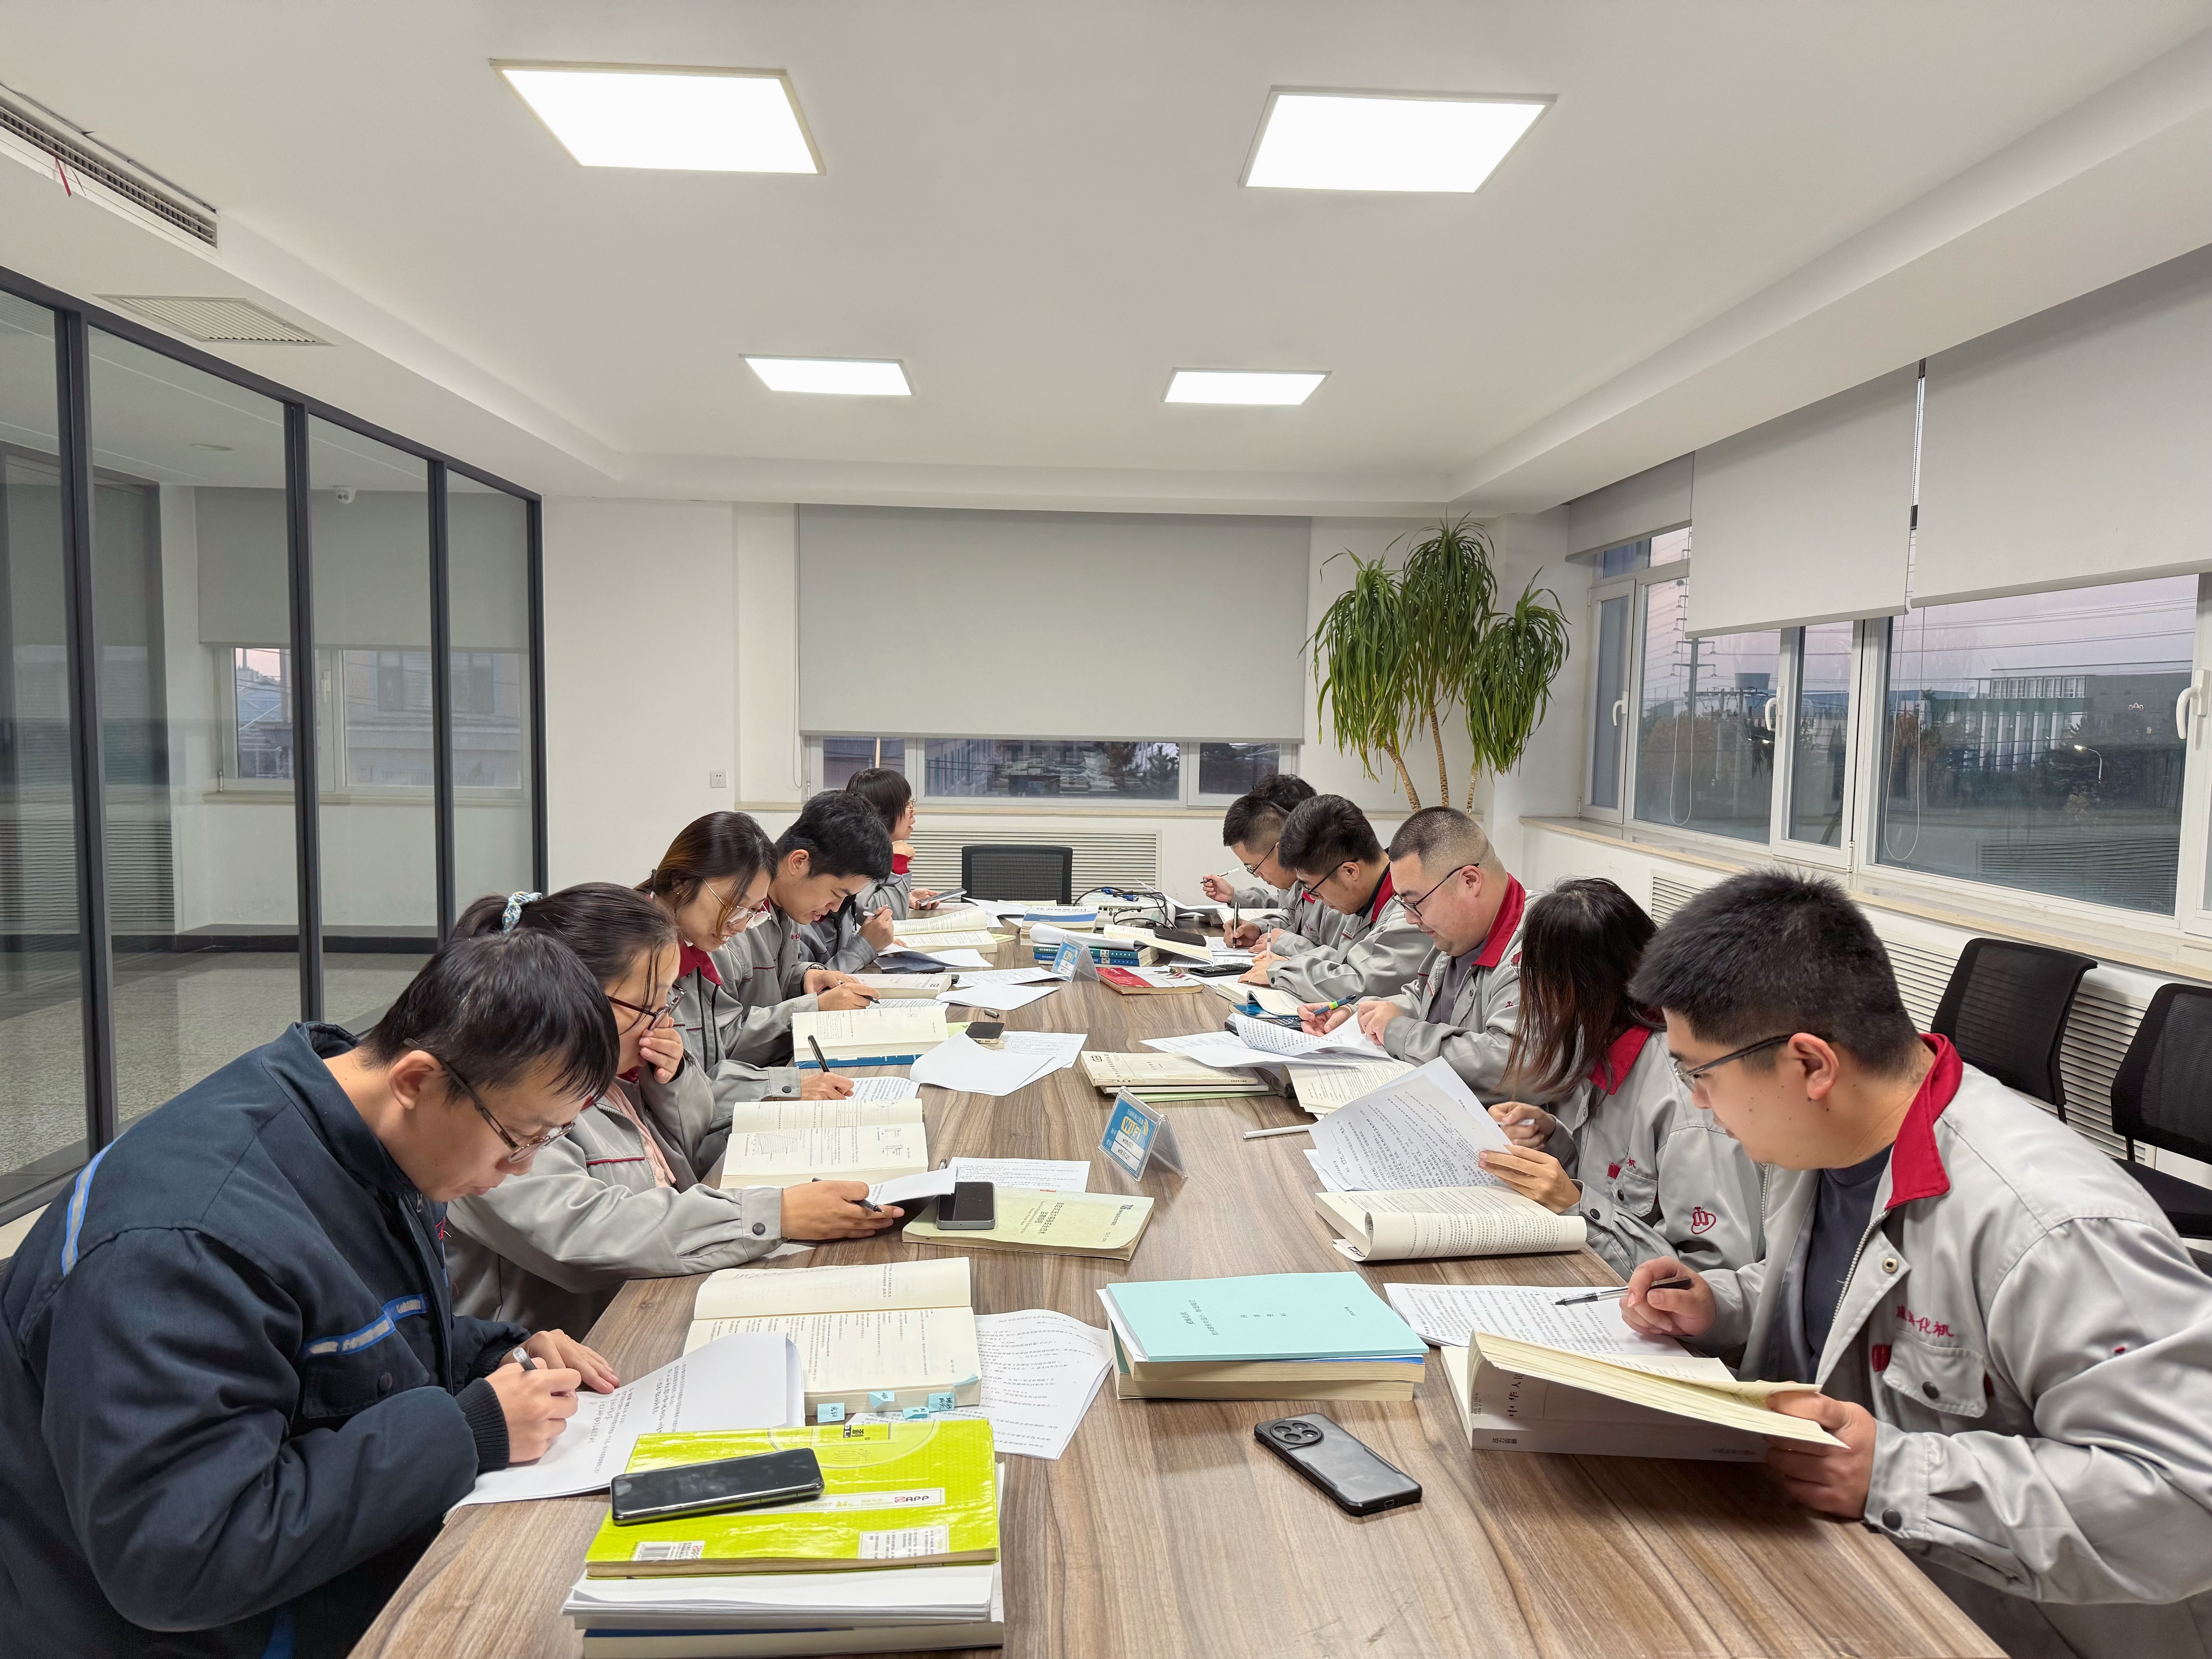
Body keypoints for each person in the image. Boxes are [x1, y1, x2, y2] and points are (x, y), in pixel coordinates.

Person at [1618, 871, 2212, 1659]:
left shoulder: (2052, 1228)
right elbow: (1851, 1294)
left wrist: (1898, 1476)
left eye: (1700, 1074)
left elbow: (2186, 1499)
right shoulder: (1825, 1141)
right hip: (1861, 1575)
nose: (1696, 1103)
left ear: (1811, 1064)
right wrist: (1721, 1303)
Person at [0, 931, 623, 1658]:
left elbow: (355, 1340)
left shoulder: (365, 1133)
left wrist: (496, 1356)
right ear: (418, 1080)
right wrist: (466, 1432)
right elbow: (180, 1558)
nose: (520, 1168)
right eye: (519, 1137)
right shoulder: (185, 1244)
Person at [445, 886, 900, 1334]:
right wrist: (775, 1214)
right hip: (581, 1343)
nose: (664, 1020)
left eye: (668, 1002)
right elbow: (583, 1233)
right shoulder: (508, 1103)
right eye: (650, 1005)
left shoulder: (612, 1074)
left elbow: (685, 1155)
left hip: (649, 1297)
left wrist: (672, 1080)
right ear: (574, 999)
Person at [1472, 878, 1764, 1278]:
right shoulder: (1600, 1045)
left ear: (1571, 989)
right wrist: (1552, 1137)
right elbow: (1609, 1181)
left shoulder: (1686, 1101)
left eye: (1536, 977)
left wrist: (1575, 1206)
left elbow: (1713, 1277)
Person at [1305, 805, 1531, 1099]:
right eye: (1403, 904)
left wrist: (1400, 1032)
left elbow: (1511, 1064)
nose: (1410, 918)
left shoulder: (1541, 942)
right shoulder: (1462, 932)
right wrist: (1360, 1014)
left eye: (1415, 903)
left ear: (1470, 881)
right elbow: (1424, 997)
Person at [640, 811, 855, 1114]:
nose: (741, 926)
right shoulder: (641, 964)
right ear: (681, 882)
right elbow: (677, 1096)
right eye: (736, 906)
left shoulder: (693, 947)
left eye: (753, 911)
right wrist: (782, 1087)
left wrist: (804, 977)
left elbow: (708, 1064)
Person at [721, 792, 891, 1068]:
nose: (835, 908)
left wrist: (804, 977)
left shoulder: (786, 908)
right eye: (836, 894)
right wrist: (815, 1008)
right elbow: (721, 1044)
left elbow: (768, 984)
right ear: (799, 862)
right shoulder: (730, 925)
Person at [1251, 794, 1431, 1002]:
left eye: (1313, 889)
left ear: (1350, 872)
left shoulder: (1410, 914)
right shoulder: (1364, 897)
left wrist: (1281, 972)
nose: (1317, 899)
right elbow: (1343, 961)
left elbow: (1359, 985)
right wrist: (1288, 965)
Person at [800, 767, 939, 973]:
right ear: (885, 811)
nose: (913, 813)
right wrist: (898, 864)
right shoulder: (848, 861)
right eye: (907, 805)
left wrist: (907, 896)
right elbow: (888, 913)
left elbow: (855, 921)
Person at [1197, 774, 1334, 952]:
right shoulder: (1301, 881)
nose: (1256, 874)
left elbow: (1342, 960)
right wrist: (1258, 930)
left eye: (1255, 867)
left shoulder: (1331, 885)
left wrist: (1285, 946)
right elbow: (1291, 917)